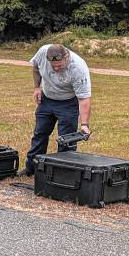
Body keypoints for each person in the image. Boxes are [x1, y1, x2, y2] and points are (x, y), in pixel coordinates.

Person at [23, 43, 92, 175]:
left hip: (68, 103)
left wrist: (84, 124)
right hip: (47, 100)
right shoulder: (42, 52)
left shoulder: (78, 68)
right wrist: (37, 87)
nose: (55, 68)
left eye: (59, 65)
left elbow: (84, 99)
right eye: (53, 66)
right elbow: (36, 68)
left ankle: (63, 173)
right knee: (39, 134)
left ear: (67, 57)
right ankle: (32, 168)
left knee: (66, 140)